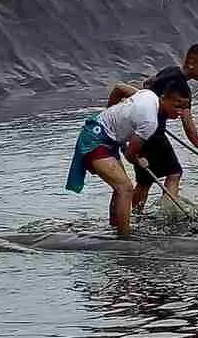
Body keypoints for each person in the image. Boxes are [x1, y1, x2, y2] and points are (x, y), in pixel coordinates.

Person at [66, 83, 191, 238]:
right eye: (176, 105)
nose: (179, 112)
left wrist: (110, 111)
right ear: (164, 98)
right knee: (125, 188)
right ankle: (124, 238)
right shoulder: (150, 122)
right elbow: (130, 155)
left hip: (109, 139)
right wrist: (140, 161)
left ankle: (114, 227)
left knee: (120, 188)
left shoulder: (148, 94)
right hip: (95, 139)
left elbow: (119, 88)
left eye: (184, 108)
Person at [106, 44, 198, 213]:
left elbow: (147, 83)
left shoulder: (168, 71)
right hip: (153, 134)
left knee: (145, 180)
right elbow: (188, 124)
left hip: (138, 133)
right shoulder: (182, 88)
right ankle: (169, 212)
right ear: (191, 63)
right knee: (174, 172)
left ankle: (135, 215)